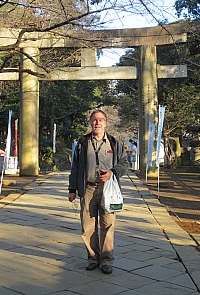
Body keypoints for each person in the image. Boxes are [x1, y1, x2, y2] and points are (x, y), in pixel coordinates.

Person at [68, 109, 128, 274]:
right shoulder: (82, 143)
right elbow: (75, 167)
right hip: (87, 188)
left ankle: (107, 260)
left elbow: (124, 163)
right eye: (95, 120)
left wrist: (112, 173)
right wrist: (72, 189)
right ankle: (93, 258)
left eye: (101, 120)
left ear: (106, 123)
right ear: (91, 123)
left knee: (107, 224)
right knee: (88, 226)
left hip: (108, 189)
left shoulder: (114, 143)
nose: (98, 122)